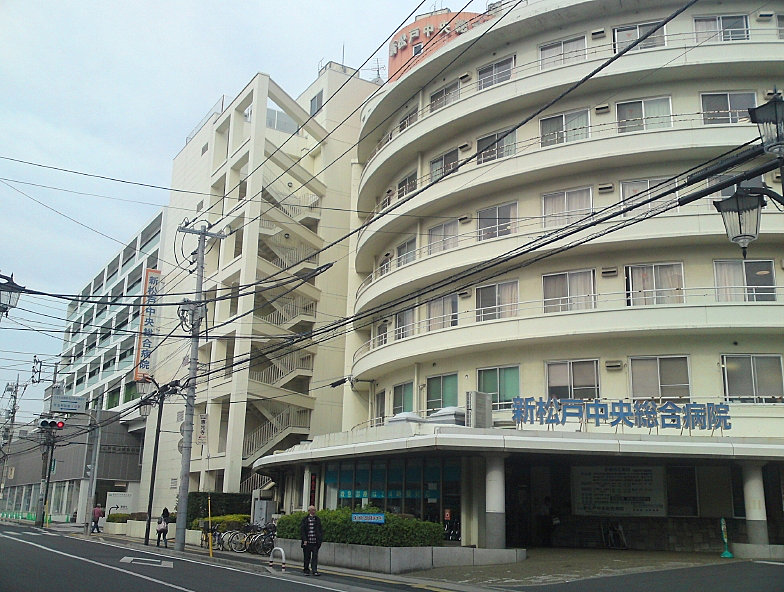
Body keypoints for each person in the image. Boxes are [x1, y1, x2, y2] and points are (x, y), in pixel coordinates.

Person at [299, 505, 323, 576]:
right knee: (307, 556)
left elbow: (320, 530)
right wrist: (304, 540)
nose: (313, 512)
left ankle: (314, 570)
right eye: (312, 510)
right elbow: (302, 530)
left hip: (315, 542)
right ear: (309, 511)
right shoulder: (305, 519)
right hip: (307, 542)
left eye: (314, 510)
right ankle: (306, 569)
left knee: (315, 557)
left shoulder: (317, 519)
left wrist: (320, 539)